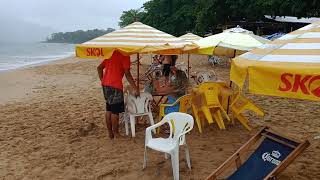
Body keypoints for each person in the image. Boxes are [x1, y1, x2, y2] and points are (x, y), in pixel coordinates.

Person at [97, 51, 139, 139]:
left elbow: (99, 68)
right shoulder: (125, 55)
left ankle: (110, 133)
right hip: (115, 85)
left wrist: (102, 80)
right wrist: (135, 87)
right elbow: (127, 73)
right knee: (115, 111)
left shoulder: (110, 54)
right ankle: (116, 133)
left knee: (109, 109)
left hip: (106, 85)